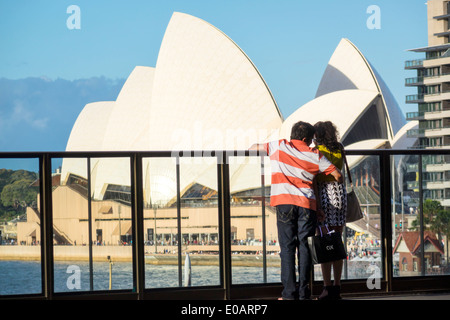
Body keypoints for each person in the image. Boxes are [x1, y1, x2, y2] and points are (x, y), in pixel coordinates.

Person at [250, 121, 343, 300]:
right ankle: (303, 293)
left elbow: (253, 148)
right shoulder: (315, 154)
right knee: (305, 248)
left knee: (287, 248)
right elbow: (337, 174)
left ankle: (288, 294)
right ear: (306, 139)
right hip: (307, 205)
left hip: (284, 202)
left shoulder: (278, 145)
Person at [313, 121, 347, 300]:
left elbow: (315, 179)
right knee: (337, 241)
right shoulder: (340, 147)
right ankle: (337, 286)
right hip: (340, 194)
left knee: (325, 242)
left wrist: (317, 204)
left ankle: (326, 287)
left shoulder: (317, 151)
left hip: (325, 195)